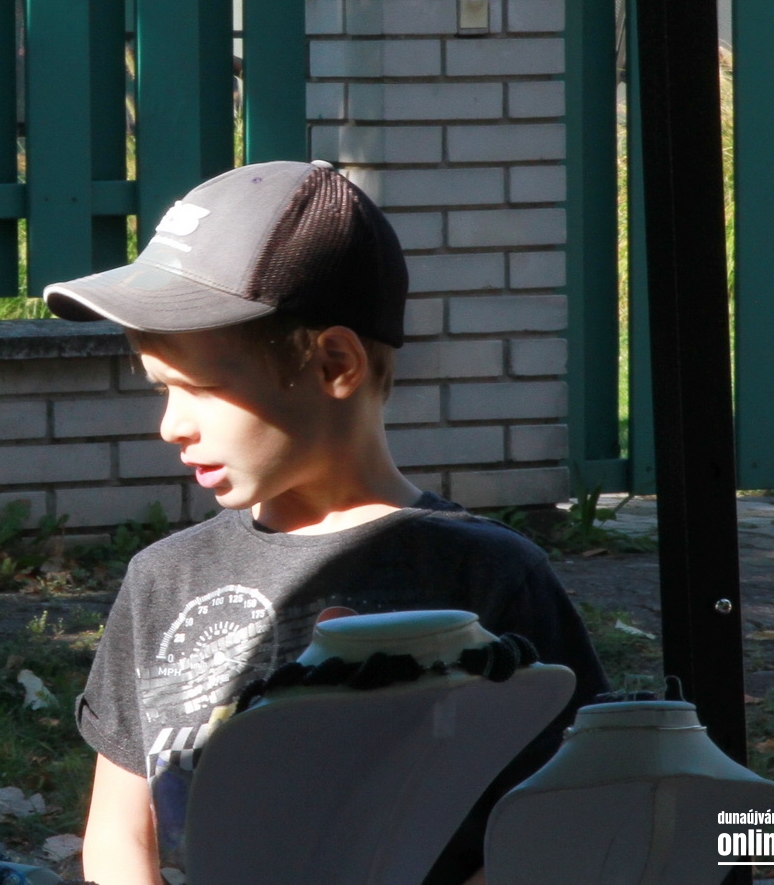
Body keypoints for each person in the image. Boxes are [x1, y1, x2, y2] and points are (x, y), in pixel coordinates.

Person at [44, 160, 607, 885]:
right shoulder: (163, 579)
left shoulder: (487, 576)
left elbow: (565, 819)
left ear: (334, 363)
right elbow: (120, 832)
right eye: (162, 389)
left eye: (200, 388)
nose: (171, 425)